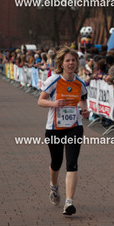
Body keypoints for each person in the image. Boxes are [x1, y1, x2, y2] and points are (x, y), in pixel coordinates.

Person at [38, 47, 89, 216]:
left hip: (74, 128)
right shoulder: (54, 80)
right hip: (54, 129)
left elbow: (83, 101)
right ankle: (54, 186)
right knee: (56, 162)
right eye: (67, 60)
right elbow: (41, 101)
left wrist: (85, 110)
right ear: (61, 63)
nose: (71, 63)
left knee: (72, 163)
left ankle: (69, 202)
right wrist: (54, 104)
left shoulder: (80, 83)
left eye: (73, 60)